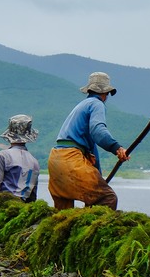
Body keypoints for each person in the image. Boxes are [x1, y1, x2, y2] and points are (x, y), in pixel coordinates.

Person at [48, 72, 129, 210]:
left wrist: (99, 179)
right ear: (105, 93)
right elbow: (98, 130)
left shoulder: (82, 105)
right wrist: (117, 148)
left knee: (63, 214)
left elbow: (92, 150)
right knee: (107, 198)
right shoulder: (97, 104)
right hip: (70, 159)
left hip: (56, 159)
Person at [0, 114, 40, 202]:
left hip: (3, 205)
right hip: (23, 207)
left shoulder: (3, 156)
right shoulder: (34, 162)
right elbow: (32, 195)